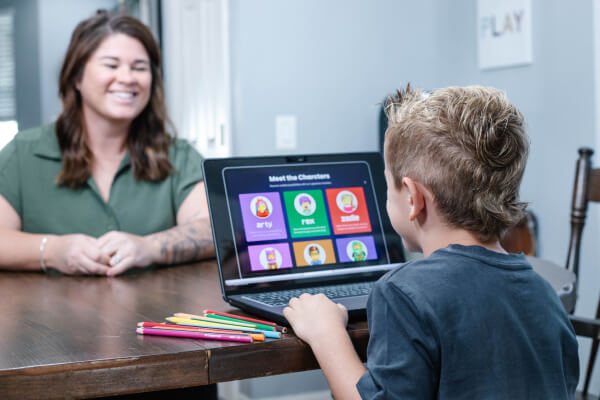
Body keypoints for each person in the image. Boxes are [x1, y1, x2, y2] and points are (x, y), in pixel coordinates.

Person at [284, 85, 580, 399]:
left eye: (387, 186)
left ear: (414, 198)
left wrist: (326, 334)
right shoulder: (543, 294)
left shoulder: (403, 294)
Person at [0, 10, 214, 276]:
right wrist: (52, 250)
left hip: (156, 314)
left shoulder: (178, 155)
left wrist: (149, 247)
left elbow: (213, 227)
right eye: (111, 65)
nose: (127, 78)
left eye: (140, 67)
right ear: (76, 77)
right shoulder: (23, 154)